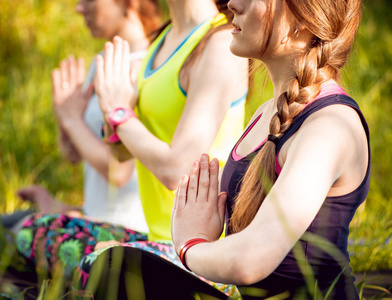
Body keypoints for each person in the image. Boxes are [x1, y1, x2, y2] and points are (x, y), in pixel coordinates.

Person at [16, 0, 248, 296]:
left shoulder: (219, 43)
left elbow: (176, 169)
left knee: (98, 260)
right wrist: (112, 112)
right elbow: (121, 155)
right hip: (155, 240)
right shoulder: (161, 42)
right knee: (30, 230)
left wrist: (118, 114)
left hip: (201, 255)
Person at [171, 0, 368, 299]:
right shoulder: (266, 114)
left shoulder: (329, 127)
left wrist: (191, 246)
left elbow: (251, 259)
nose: (232, 4)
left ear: (303, 19)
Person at [13, 0, 161, 279]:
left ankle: (56, 213)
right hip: (96, 214)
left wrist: (72, 119)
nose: (79, 8)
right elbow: (72, 154)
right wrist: (65, 116)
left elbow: (119, 172)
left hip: (125, 227)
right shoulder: (100, 63)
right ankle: (60, 211)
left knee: (14, 235)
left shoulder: (149, 66)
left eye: (88, 0)